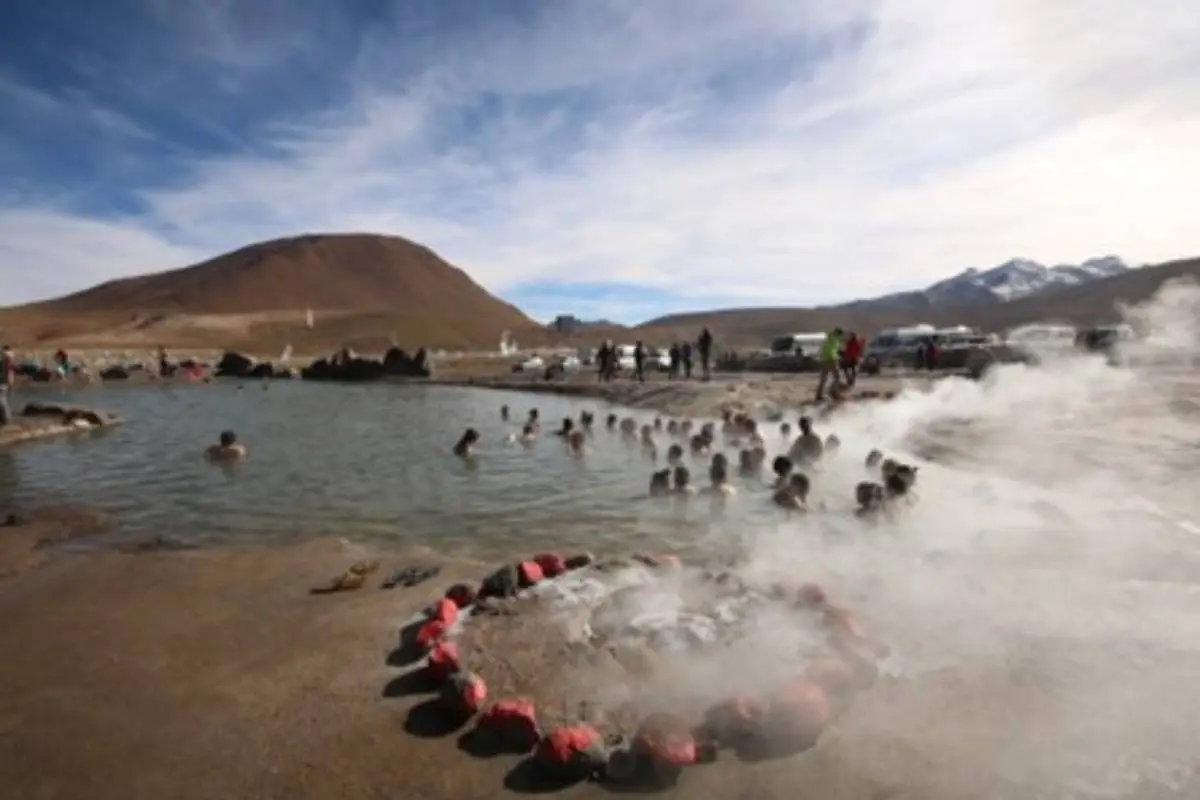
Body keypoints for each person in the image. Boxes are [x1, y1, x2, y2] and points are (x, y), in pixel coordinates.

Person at [815, 328, 844, 401]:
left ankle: (819, 395)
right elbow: (831, 350)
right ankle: (833, 391)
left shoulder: (828, 338)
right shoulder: (834, 340)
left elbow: (825, 349)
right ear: (839, 334)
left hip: (823, 359)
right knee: (837, 376)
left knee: (824, 378)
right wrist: (835, 357)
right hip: (830, 359)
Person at [0, 344, 13, 425]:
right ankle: (4, 419)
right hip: (3, 383)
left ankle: (6, 419)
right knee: (2, 401)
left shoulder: (6, 360)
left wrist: (9, 382)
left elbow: (9, 372)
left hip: (2, 383)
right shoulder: (6, 361)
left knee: (2, 401)